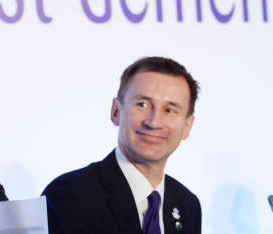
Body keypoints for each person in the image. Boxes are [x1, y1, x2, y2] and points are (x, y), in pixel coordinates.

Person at [41, 56, 201, 234]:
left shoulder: (187, 205)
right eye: (142, 105)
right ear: (116, 111)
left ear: (187, 126)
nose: (154, 122)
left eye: (169, 110)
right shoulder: (69, 194)